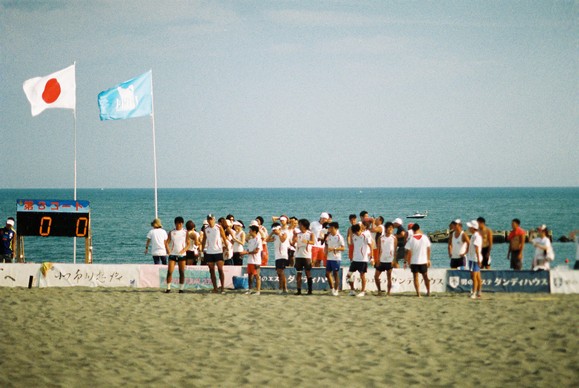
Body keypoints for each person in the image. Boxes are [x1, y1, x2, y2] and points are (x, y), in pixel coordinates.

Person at [202, 214, 228, 294]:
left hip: (218, 251)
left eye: (211, 219)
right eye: (208, 219)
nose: (210, 221)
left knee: (220, 269)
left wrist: (227, 248)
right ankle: (215, 288)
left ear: (214, 219)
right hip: (209, 252)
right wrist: (201, 251)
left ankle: (222, 287)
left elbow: (224, 237)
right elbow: (204, 239)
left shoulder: (219, 227)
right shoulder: (206, 229)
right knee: (211, 270)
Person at [404, 224, 431, 297]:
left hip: (414, 261)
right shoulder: (425, 237)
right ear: (419, 228)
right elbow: (428, 249)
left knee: (415, 277)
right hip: (423, 260)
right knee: (425, 276)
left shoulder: (411, 239)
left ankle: (418, 293)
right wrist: (428, 259)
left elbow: (407, 251)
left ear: (412, 230)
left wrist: (406, 261)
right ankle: (428, 291)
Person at [346, 223, 373, 297]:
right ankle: (352, 290)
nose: (357, 233)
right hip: (355, 259)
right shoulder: (354, 236)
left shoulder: (365, 236)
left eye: (357, 232)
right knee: (348, 275)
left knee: (362, 275)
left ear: (360, 230)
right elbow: (353, 246)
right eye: (355, 232)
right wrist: (351, 257)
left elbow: (371, 246)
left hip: (363, 259)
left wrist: (371, 257)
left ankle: (363, 291)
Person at [165, 217, 189, 293]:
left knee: (181, 272)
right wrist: (168, 249)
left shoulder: (185, 232)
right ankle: (168, 288)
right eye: (178, 223)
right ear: (175, 224)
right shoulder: (172, 232)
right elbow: (166, 242)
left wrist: (184, 250)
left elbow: (188, 243)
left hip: (182, 255)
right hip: (173, 254)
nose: (179, 225)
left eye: (181, 223)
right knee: (170, 271)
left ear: (182, 223)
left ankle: (181, 289)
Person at [292, 219, 315, 295]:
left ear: (304, 225)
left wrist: (307, 241)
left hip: (306, 256)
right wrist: (294, 239)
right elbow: (292, 243)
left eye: (300, 224)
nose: (299, 225)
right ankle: (299, 290)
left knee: (308, 272)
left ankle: (310, 290)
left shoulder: (310, 233)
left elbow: (313, 242)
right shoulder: (297, 234)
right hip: (298, 255)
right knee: (299, 273)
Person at [266, 222, 290, 294]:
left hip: (283, 255)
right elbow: (266, 240)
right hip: (277, 256)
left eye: (275, 229)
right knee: (278, 272)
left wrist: (279, 233)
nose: (275, 231)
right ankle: (281, 287)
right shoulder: (275, 236)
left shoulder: (284, 233)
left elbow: (283, 240)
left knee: (281, 271)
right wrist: (271, 233)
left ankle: (284, 288)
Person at [375, 221, 397, 295]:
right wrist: (377, 260)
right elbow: (378, 249)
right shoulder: (381, 238)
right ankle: (379, 290)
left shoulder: (394, 238)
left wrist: (394, 260)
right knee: (376, 276)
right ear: (386, 228)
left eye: (392, 228)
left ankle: (388, 292)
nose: (390, 229)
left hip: (389, 260)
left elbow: (394, 250)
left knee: (389, 277)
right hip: (381, 260)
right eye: (389, 228)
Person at [324, 222, 345, 296]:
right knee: (327, 273)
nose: (329, 229)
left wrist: (334, 249)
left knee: (335, 274)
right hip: (329, 257)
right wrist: (325, 251)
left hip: (336, 258)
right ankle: (332, 288)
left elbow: (343, 248)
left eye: (330, 227)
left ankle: (336, 290)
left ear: (334, 228)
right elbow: (326, 245)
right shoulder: (328, 236)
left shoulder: (339, 237)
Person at [242, 225, 262, 295]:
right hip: (250, 260)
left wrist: (247, 252)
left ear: (254, 231)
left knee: (257, 276)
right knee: (250, 275)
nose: (249, 232)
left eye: (250, 230)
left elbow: (256, 250)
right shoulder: (250, 240)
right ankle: (250, 289)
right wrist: (244, 252)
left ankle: (258, 291)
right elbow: (248, 249)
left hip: (256, 261)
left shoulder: (258, 239)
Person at [466, 220, 483, 299]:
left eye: (470, 227)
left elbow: (477, 249)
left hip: (474, 259)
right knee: (477, 277)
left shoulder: (476, 236)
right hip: (473, 258)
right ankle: (479, 292)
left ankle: (474, 292)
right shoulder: (474, 235)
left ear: (473, 228)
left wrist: (479, 260)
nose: (469, 228)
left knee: (474, 277)